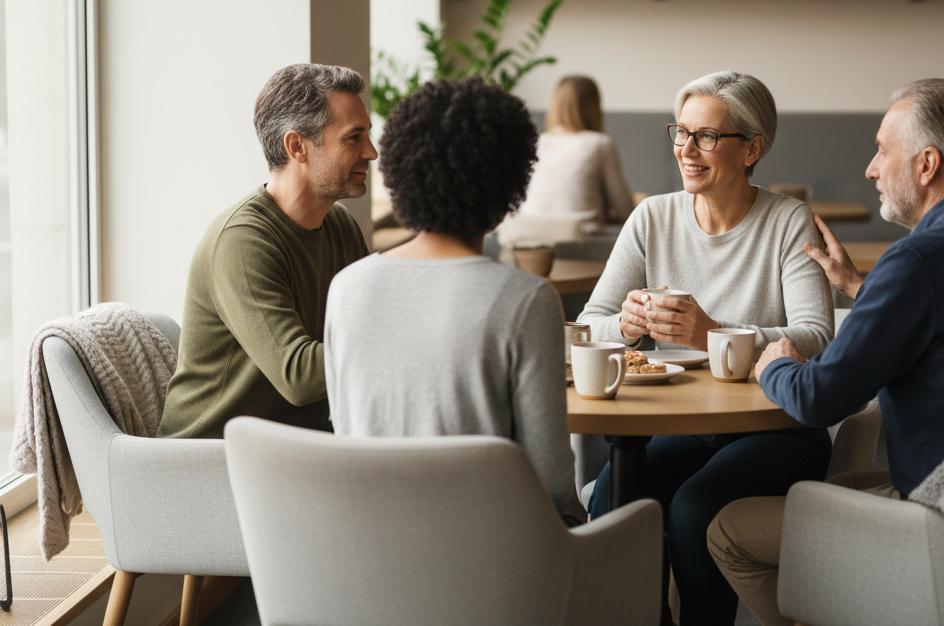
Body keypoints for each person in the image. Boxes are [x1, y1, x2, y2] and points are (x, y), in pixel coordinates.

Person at [706, 78, 944, 626]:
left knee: (727, 529)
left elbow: (817, 400)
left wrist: (775, 363)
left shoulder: (916, 262)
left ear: (927, 164)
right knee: (829, 491)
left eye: (883, 150)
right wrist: (865, 291)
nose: (871, 167)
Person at [580, 71, 833, 626]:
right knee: (612, 499)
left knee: (695, 509)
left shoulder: (789, 222)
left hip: (777, 427)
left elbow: (816, 338)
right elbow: (589, 324)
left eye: (706, 137)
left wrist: (711, 332)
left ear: (753, 149)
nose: (685, 150)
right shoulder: (652, 217)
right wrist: (624, 326)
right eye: (680, 132)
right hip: (685, 425)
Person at [323, 77, 573, 511]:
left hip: (364, 552)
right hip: (489, 562)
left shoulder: (347, 287)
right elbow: (549, 484)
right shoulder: (526, 300)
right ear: (509, 186)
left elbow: (346, 432)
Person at [157, 64, 375, 439]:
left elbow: (368, 328)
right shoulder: (242, 241)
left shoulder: (340, 227)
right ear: (297, 147)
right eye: (353, 138)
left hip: (291, 449)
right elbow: (300, 376)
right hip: (208, 460)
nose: (370, 152)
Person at [517, 75, 634, 233]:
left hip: (527, 238)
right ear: (594, 107)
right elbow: (625, 211)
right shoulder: (600, 143)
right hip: (581, 242)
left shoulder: (536, 142)